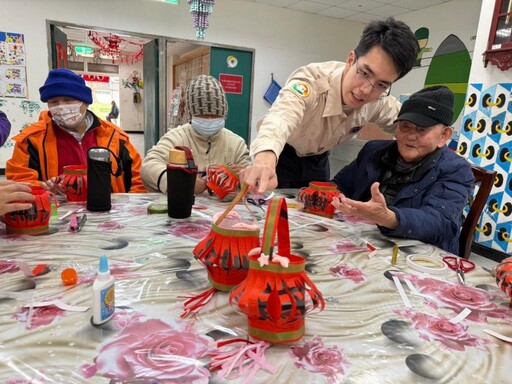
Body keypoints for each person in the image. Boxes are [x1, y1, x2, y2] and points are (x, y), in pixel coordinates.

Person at [240, 17, 419, 192]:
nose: (366, 90)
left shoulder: (379, 101)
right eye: (364, 73)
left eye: (382, 84)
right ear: (350, 60)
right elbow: (281, 116)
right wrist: (265, 159)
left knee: (317, 212)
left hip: (319, 160)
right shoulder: (312, 81)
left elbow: (411, 126)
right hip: (283, 156)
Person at [331, 86, 474, 254]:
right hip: (360, 241)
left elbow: (441, 223)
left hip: (420, 257)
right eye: (405, 126)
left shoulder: (456, 169)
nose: (411, 136)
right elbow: (339, 184)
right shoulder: (373, 151)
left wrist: (388, 218)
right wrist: (327, 194)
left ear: (444, 135)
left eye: (422, 129)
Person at [6, 68, 146, 193]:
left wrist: (128, 210)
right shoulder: (31, 139)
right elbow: (20, 181)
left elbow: (138, 179)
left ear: (85, 102)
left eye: (68, 100)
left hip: (109, 212)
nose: (61, 107)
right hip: (58, 215)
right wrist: (45, 189)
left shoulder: (115, 136)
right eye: (54, 102)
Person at [141, 75, 250, 195]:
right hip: (184, 209)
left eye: (215, 116)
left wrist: (245, 176)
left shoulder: (236, 143)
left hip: (225, 211)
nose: (209, 119)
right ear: (190, 115)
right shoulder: (176, 138)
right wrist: (182, 183)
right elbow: (148, 167)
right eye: (202, 116)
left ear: (224, 114)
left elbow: (253, 176)